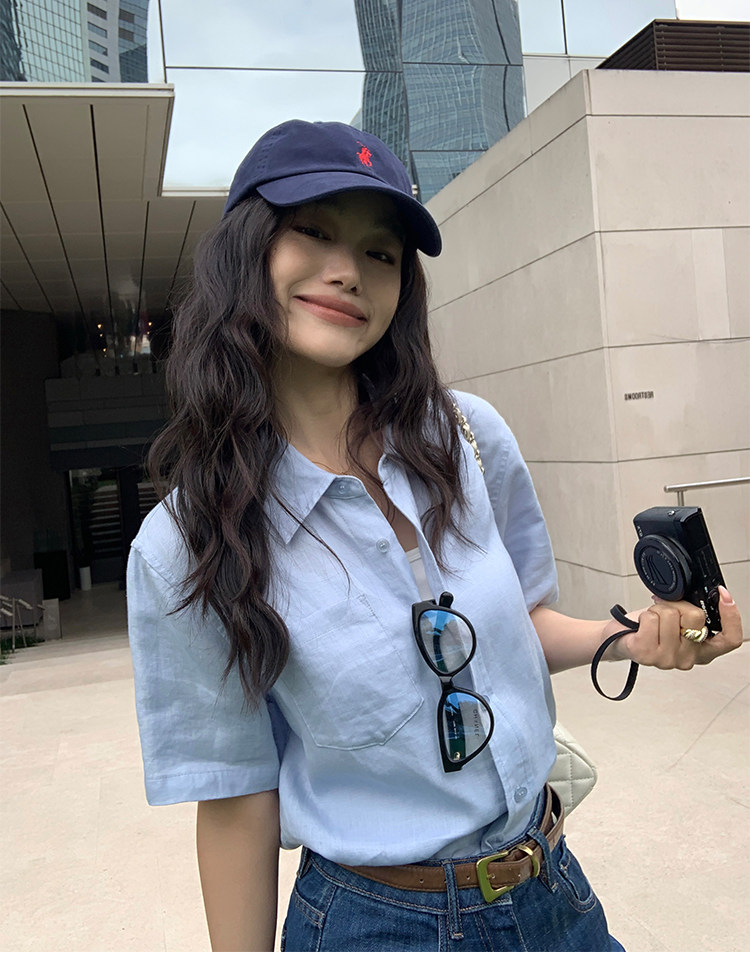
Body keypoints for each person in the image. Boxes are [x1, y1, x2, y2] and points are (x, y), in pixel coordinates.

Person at [126, 119, 742, 953]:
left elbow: (520, 625)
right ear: (245, 251)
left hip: (553, 889)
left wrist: (632, 638)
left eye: (380, 252)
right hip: (376, 924)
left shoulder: (466, 436)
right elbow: (237, 797)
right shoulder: (189, 543)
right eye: (314, 231)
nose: (348, 271)